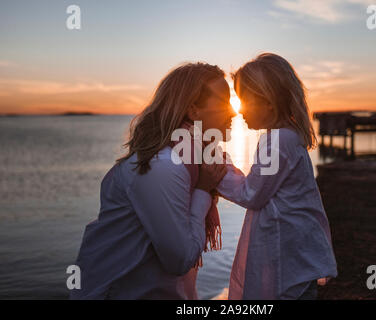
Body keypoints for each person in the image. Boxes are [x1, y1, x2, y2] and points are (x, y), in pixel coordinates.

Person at [70, 62, 235, 299]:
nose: (234, 111)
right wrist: (202, 191)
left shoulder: (197, 159)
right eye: (223, 102)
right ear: (193, 110)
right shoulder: (164, 165)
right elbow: (180, 260)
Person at [217, 53, 338, 300]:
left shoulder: (279, 141)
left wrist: (217, 168)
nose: (239, 110)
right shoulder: (287, 137)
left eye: (245, 100)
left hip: (288, 262)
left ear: (269, 101)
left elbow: (251, 194)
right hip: (296, 255)